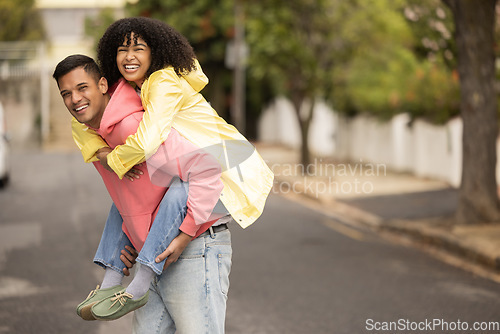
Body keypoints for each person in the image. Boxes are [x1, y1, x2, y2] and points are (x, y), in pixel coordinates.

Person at [71, 17, 274, 333]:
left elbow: (149, 141)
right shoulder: (134, 91)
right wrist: (99, 151)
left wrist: (115, 159)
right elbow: (83, 124)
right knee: (123, 201)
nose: (129, 56)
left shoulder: (163, 82)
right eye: (121, 49)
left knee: (176, 187)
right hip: (194, 179)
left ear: (156, 53)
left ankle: (133, 275)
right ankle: (115, 274)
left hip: (226, 169)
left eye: (139, 48)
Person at [53, 55, 228, 321]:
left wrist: (185, 236)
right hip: (154, 248)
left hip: (192, 245)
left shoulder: (134, 128)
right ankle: (113, 280)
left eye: (82, 88)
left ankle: (132, 284)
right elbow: (135, 195)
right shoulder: (91, 131)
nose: (75, 99)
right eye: (66, 93)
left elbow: (207, 169)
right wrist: (135, 235)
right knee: (120, 201)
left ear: (102, 85)